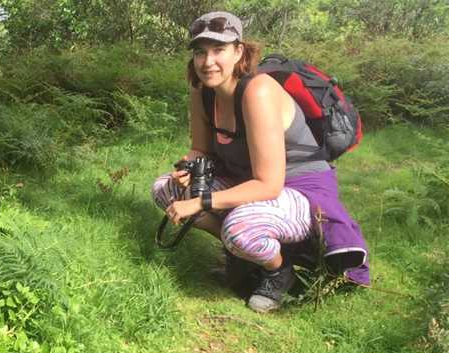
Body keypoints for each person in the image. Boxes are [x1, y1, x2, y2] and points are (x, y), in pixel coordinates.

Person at [151, 11, 369, 312]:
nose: (207, 62)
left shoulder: (258, 91)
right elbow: (200, 150)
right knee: (165, 190)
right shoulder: (202, 91)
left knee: (239, 228)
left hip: (298, 187)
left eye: (218, 50)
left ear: (238, 51)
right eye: (200, 52)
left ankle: (278, 269)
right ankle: (241, 253)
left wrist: (201, 203)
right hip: (247, 179)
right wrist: (187, 168)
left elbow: (268, 185)